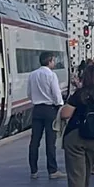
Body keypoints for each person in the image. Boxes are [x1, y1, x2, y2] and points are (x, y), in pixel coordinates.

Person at [28, 51, 67, 179]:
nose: (54, 63)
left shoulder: (32, 75)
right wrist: (60, 105)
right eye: (53, 61)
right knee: (50, 142)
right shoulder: (51, 75)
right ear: (49, 61)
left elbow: (29, 94)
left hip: (37, 110)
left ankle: (33, 170)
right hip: (50, 110)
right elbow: (56, 94)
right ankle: (52, 170)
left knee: (35, 141)